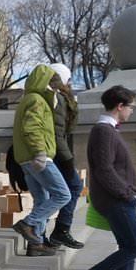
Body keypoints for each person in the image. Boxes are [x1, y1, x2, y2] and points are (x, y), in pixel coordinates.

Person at [77, 86, 136, 270]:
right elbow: (104, 170)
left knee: (128, 247)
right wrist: (127, 194)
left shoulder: (108, 130)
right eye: (131, 107)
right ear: (120, 106)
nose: (132, 111)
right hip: (116, 201)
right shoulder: (104, 131)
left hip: (119, 199)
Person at [11, 64, 70, 256]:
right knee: (63, 195)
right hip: (37, 157)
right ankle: (27, 224)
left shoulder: (29, 99)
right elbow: (32, 129)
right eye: (53, 83)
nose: (54, 88)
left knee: (42, 198)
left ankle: (35, 243)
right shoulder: (37, 100)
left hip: (27, 159)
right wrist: (40, 153)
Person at [48, 62, 85, 249]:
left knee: (55, 192)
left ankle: (50, 235)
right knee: (74, 186)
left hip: (54, 152)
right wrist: (68, 159)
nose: (70, 83)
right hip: (55, 153)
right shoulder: (60, 99)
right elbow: (58, 132)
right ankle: (60, 231)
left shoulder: (57, 97)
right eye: (68, 79)